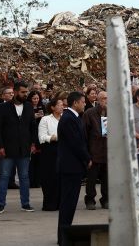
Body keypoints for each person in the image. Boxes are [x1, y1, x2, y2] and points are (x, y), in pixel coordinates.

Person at [0, 81, 36, 213]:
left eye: (26, 92)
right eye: (23, 92)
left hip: (24, 148)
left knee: (24, 177)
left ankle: (26, 203)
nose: (25, 94)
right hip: (7, 149)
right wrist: (0, 146)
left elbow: (32, 126)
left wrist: (33, 143)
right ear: (16, 92)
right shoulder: (4, 108)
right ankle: (1, 204)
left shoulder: (28, 107)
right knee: (4, 176)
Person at [57, 92, 90, 246]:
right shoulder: (69, 119)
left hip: (73, 166)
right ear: (76, 102)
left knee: (70, 203)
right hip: (70, 166)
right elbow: (76, 143)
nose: (85, 104)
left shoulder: (73, 117)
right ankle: (63, 237)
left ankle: (65, 235)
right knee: (68, 204)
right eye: (83, 102)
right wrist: (87, 158)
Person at [37, 96, 64, 211]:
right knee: (50, 178)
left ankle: (61, 203)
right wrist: (51, 137)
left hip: (63, 149)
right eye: (59, 104)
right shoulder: (45, 119)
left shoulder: (65, 118)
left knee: (62, 177)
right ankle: (50, 204)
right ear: (53, 107)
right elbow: (41, 137)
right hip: (50, 150)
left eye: (63, 104)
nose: (62, 106)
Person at [83, 91, 108, 210]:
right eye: (103, 98)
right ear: (98, 100)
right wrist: (87, 154)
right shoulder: (89, 113)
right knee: (92, 178)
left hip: (108, 151)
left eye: (108, 98)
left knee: (107, 178)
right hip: (94, 151)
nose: (106, 100)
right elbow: (85, 134)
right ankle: (90, 199)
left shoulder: (112, 113)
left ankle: (106, 199)